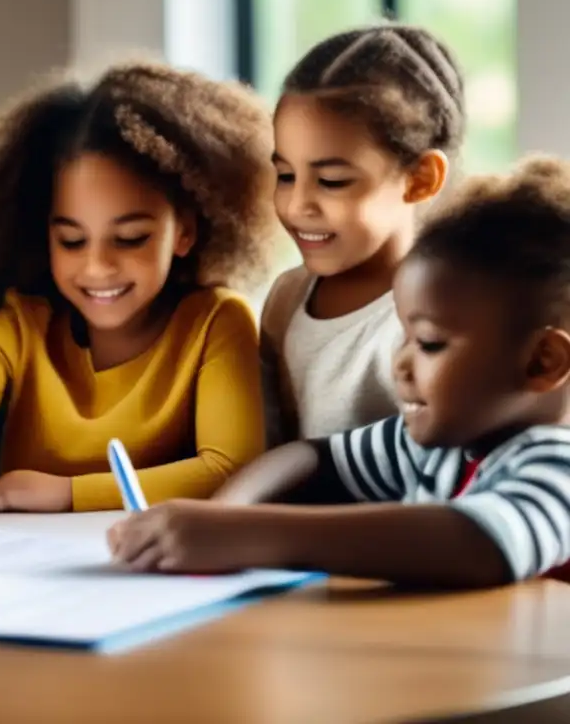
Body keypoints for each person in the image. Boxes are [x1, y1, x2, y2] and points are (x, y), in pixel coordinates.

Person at [108, 156, 570, 589]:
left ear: (543, 361)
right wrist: (222, 514)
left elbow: (478, 543)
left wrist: (244, 534)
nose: (401, 363)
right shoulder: (440, 446)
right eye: (403, 337)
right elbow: (312, 458)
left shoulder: (558, 465)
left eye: (429, 343)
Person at [0, 62, 276, 530]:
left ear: (184, 231)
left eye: (130, 239)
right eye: (72, 241)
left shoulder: (216, 323)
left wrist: (61, 493)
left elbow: (231, 471)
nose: (97, 267)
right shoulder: (23, 328)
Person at [262, 24, 465, 446]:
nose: (297, 205)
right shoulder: (287, 298)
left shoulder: (436, 321)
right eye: (285, 175)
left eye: (332, 181)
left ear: (420, 179)